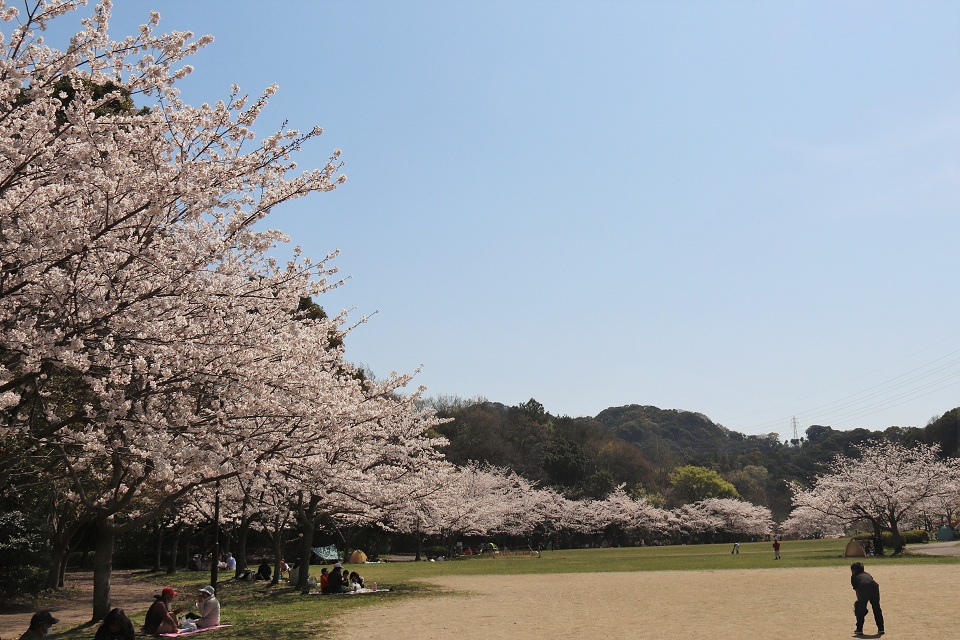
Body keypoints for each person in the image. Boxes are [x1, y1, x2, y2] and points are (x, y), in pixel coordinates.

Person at [850, 562, 884, 636]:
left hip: (863, 587)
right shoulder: (867, 574)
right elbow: (870, 582)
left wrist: (860, 603)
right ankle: (881, 629)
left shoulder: (854, 576)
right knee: (876, 607)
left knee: (861, 608)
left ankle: (859, 629)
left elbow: (857, 590)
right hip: (874, 586)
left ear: (853, 570)